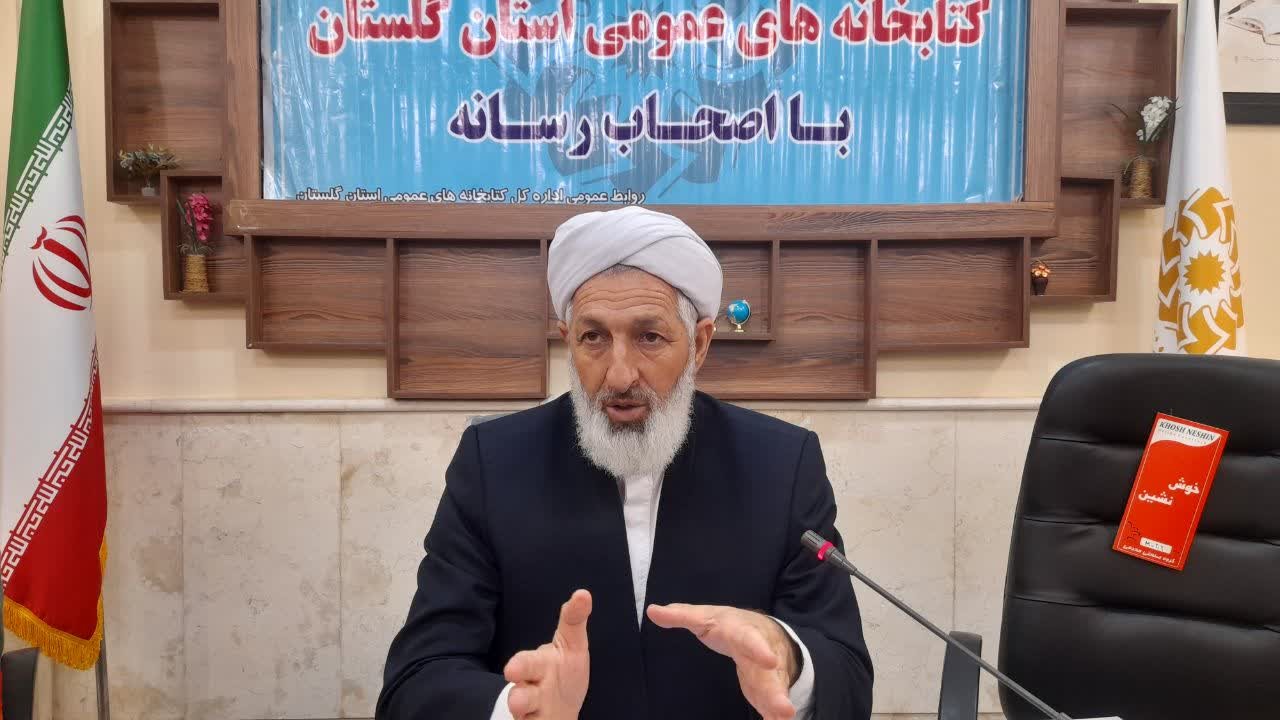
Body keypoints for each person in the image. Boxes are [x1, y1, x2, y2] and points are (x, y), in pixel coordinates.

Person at [377, 206, 873, 720]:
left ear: (699, 344)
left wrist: (788, 657)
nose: (618, 375)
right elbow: (417, 679)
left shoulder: (781, 465)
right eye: (593, 337)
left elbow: (847, 673)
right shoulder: (493, 462)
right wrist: (513, 708)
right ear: (568, 339)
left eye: (649, 337)